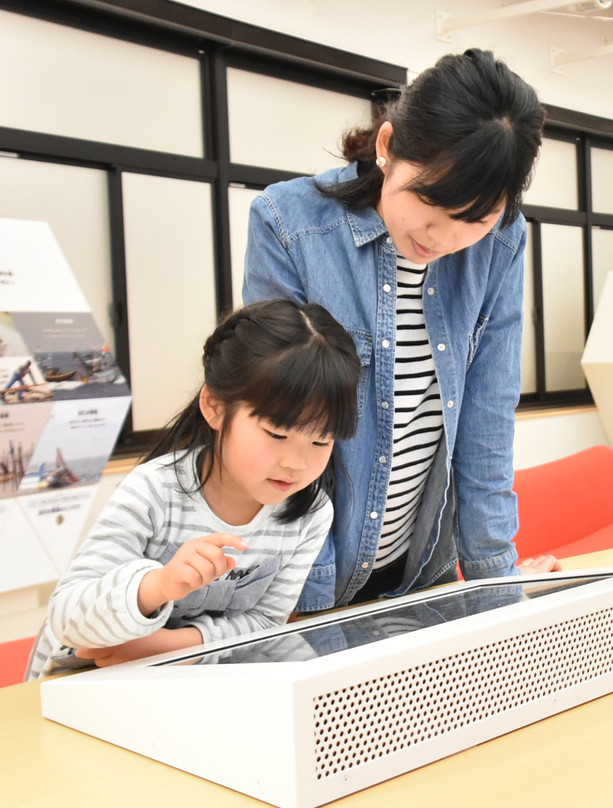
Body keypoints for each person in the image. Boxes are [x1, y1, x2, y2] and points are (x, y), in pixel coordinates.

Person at [244, 49, 555, 615]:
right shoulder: (288, 224)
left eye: (475, 220)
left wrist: (496, 586)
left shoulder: (504, 243)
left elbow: (487, 419)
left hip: (421, 571)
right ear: (387, 147)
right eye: (430, 203)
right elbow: (283, 429)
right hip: (304, 577)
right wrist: (311, 609)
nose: (443, 237)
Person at [24, 300, 364, 680]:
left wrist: (177, 647)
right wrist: (156, 586)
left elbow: (269, 622)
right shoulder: (153, 492)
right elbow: (67, 616)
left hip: (183, 685)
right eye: (277, 434)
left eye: (322, 441)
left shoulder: (310, 513)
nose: (297, 463)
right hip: (78, 685)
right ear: (215, 406)